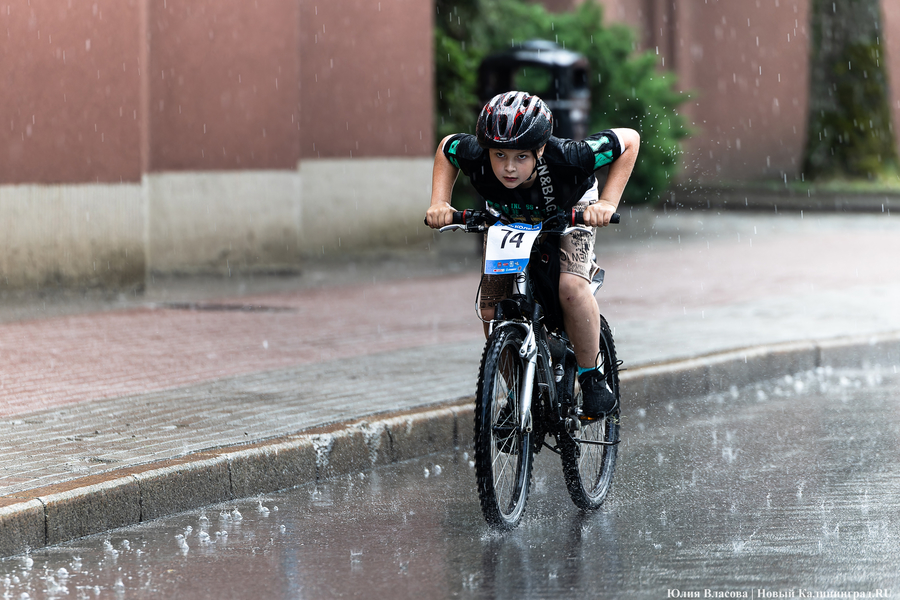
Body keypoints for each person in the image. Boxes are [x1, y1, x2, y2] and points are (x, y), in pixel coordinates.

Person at [425, 90, 640, 419]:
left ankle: (591, 377)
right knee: (491, 308)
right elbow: (446, 147)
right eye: (499, 155)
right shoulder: (476, 155)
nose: (508, 168)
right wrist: (440, 201)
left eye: (521, 157)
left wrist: (607, 203)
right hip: (508, 219)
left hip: (571, 210)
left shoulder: (571, 156)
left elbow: (629, 140)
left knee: (569, 288)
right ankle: (516, 395)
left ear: (540, 149)